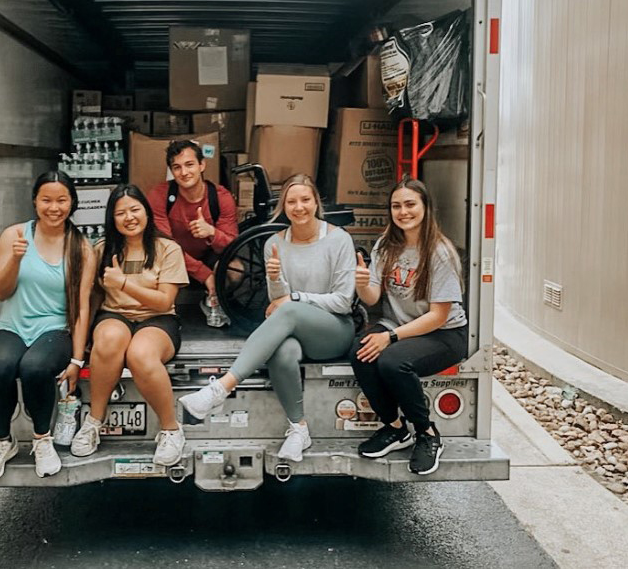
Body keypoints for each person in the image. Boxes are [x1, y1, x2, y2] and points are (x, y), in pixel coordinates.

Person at [179, 174, 356, 462]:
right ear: (283, 206)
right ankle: (299, 429)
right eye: (292, 201)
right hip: (295, 329)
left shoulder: (339, 240)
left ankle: (220, 388)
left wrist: (295, 299)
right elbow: (277, 299)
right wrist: (275, 280)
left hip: (333, 330)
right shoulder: (274, 242)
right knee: (282, 352)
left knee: (288, 309)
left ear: (315, 203)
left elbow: (343, 301)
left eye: (305, 200)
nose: (299, 207)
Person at [0, 171, 96, 483]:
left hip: (54, 329)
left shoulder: (81, 248)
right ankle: (3, 441)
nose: (53, 207)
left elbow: (82, 308)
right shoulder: (14, 236)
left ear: (72, 203)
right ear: (35, 201)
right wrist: (14, 260)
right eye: (46, 200)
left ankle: (42, 439)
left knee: (35, 368)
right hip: (13, 324)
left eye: (61, 200)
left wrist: (76, 360)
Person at [350, 176, 468, 476]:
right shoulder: (385, 245)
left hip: (444, 334)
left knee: (393, 361)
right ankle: (395, 428)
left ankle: (427, 433)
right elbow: (373, 297)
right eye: (396, 206)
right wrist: (362, 284)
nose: (403, 212)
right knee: (360, 352)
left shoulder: (440, 252)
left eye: (410, 204)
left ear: (426, 207)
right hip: (399, 325)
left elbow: (439, 316)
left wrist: (390, 337)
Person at [70, 184, 189, 466]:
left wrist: (123, 282)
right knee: (109, 341)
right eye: (120, 212)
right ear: (112, 218)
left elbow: (164, 301)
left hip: (157, 318)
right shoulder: (101, 250)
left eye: (135, 209)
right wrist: (80, 345)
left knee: (140, 354)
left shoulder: (167, 249)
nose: (129, 217)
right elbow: (90, 297)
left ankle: (171, 429)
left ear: (146, 212)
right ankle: (93, 422)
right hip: (115, 314)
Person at [147, 140, 238, 327]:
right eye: (177, 167)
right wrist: (205, 275)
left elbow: (233, 247)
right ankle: (164, 315)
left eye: (189, 165)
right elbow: (165, 246)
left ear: (202, 165)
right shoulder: (160, 195)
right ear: (171, 171)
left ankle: (212, 300)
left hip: (208, 257)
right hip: (172, 261)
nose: (184, 172)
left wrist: (211, 232)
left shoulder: (221, 197)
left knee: (236, 270)